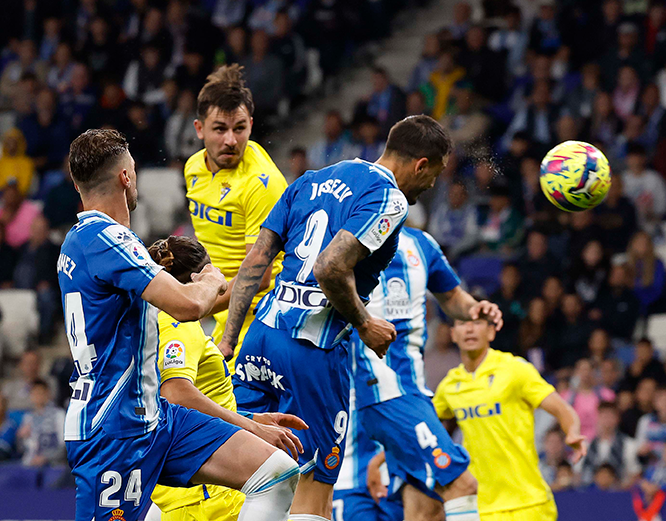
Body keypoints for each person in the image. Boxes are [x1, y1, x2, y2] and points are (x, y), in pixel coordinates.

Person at [60, 129, 300, 521]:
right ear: (126, 177)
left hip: (155, 419)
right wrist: (207, 279)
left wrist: (250, 422)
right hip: (114, 430)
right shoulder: (106, 238)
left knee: (275, 472)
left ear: (76, 183)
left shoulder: (82, 242)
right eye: (134, 170)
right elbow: (188, 305)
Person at [221, 115, 450, 520]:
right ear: (421, 165)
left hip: (260, 339)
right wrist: (365, 323)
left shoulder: (310, 179)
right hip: (313, 351)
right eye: (435, 173)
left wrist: (228, 339)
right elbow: (329, 267)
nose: (432, 185)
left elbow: (256, 262)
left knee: (266, 475)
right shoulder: (389, 197)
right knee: (316, 488)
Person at [338, 226, 502, 521]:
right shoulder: (350, 237)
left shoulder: (422, 244)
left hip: (412, 389)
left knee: (425, 508)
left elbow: (452, 296)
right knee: (462, 485)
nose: (431, 180)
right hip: (382, 388)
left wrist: (476, 309)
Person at [147, 236, 308, 520]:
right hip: (205, 496)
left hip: (191, 491)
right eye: (214, 271)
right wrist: (252, 429)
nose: (221, 282)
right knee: (282, 476)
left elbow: (187, 399)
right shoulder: (178, 325)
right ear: (198, 279)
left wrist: (254, 418)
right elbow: (176, 394)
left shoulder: (155, 322)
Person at [431, 314, 587, 521]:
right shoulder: (450, 385)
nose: (469, 329)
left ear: (491, 331)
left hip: (529, 503)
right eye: (462, 324)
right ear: (453, 334)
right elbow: (421, 424)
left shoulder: (515, 369)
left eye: (477, 323)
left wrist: (573, 431)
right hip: (482, 507)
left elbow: (561, 409)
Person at [184, 65, 287, 368]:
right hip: (224, 315)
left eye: (239, 128)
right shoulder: (193, 168)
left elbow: (260, 276)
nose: (230, 140)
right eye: (220, 129)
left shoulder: (261, 184)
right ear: (199, 128)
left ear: (251, 126)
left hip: (265, 321)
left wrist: (195, 305)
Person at [18, 380, 66, 467]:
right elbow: (21, 448)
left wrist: (46, 457)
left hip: (53, 464)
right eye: (34, 393)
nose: (38, 397)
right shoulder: (27, 417)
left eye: (40, 393)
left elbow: (64, 445)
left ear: (48, 394)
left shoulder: (59, 414)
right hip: (30, 464)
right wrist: (20, 437)